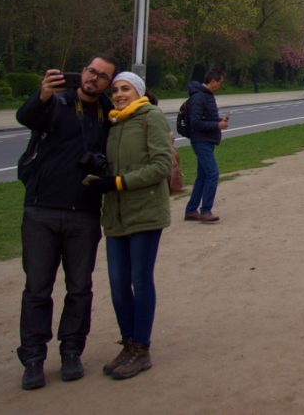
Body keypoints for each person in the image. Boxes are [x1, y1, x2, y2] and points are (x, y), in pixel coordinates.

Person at [14, 55, 117, 390]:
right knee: (37, 289)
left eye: (103, 77)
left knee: (79, 288)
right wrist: (42, 93)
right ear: (82, 72)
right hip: (42, 209)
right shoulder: (57, 102)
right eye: (91, 71)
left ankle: (71, 350)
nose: (94, 79)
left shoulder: (108, 115)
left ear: (108, 83)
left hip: (84, 213)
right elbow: (25, 117)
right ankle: (33, 357)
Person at [83, 71, 172, 381]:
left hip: (145, 211)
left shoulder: (151, 117)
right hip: (116, 214)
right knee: (118, 285)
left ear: (139, 92)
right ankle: (128, 342)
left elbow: (162, 165)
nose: (119, 94)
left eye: (126, 89)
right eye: (116, 89)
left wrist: (119, 182)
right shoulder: (115, 122)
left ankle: (142, 348)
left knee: (140, 279)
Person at [183, 70, 228, 224]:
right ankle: (206, 210)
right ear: (213, 81)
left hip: (207, 139)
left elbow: (205, 117)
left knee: (202, 176)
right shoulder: (199, 97)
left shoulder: (206, 95)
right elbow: (195, 122)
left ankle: (191, 210)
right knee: (212, 173)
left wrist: (218, 120)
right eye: (220, 82)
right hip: (201, 140)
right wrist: (217, 124)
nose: (221, 85)